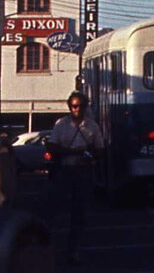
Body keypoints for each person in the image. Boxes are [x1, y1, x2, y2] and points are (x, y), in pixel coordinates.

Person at [44, 91, 100, 265]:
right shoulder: (61, 124)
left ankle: (73, 250)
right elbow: (52, 147)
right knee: (53, 210)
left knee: (79, 213)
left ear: (85, 107)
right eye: (74, 106)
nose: (77, 109)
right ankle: (46, 246)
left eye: (81, 106)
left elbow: (100, 149)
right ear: (69, 107)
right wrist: (74, 152)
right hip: (64, 171)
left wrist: (89, 156)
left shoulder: (92, 126)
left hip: (83, 172)